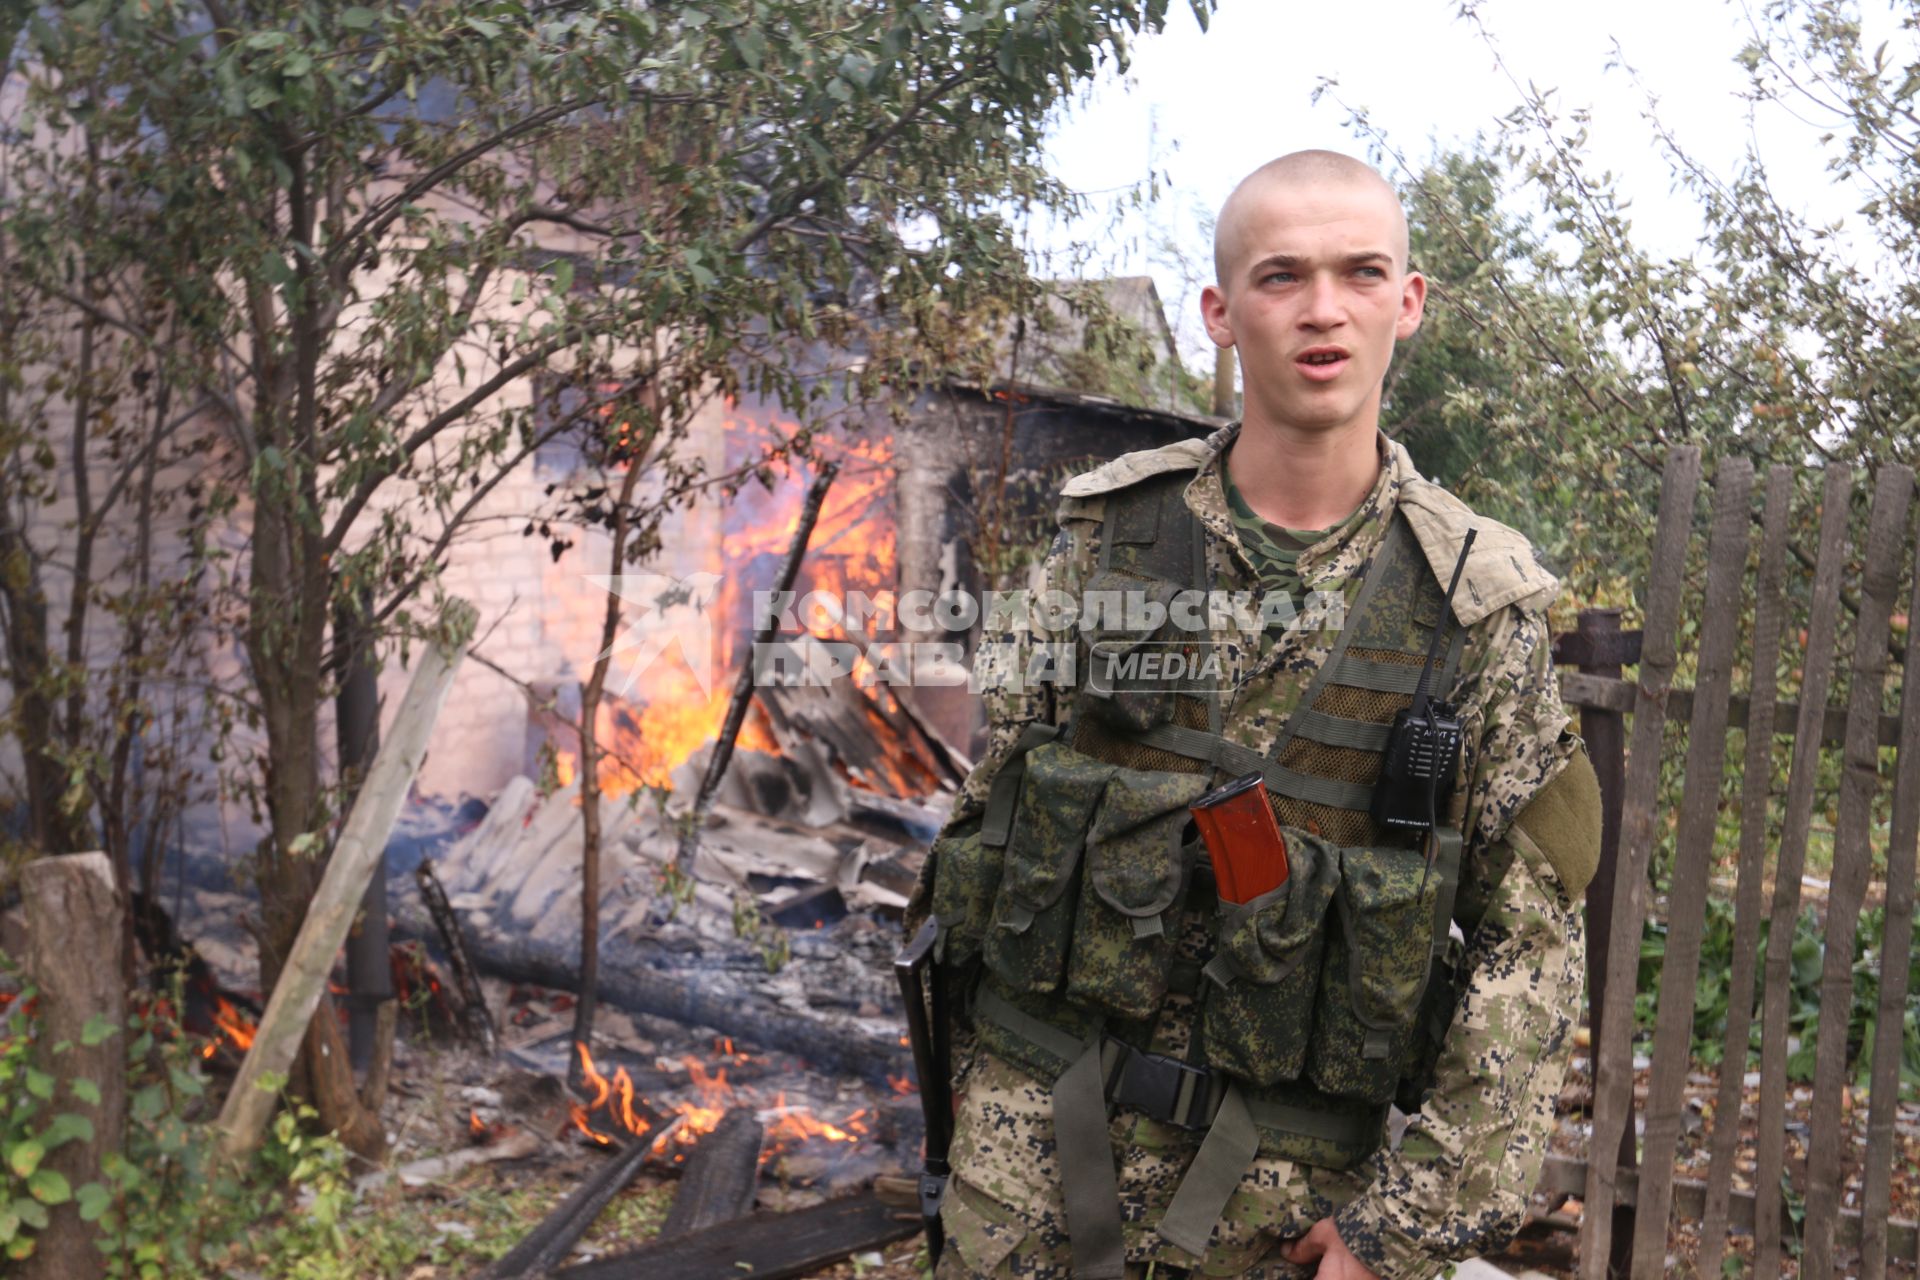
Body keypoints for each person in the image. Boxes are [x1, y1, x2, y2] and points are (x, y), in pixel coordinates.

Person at [906, 151, 1600, 1280]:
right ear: (1221, 313)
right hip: (1025, 1174)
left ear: (1408, 302)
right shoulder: (1101, 543)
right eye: (1281, 277)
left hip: (1279, 1217)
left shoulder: (1476, 611)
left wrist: (1401, 1229)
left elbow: (1532, 956)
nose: (1323, 310)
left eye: (1361, 272)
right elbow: (987, 827)